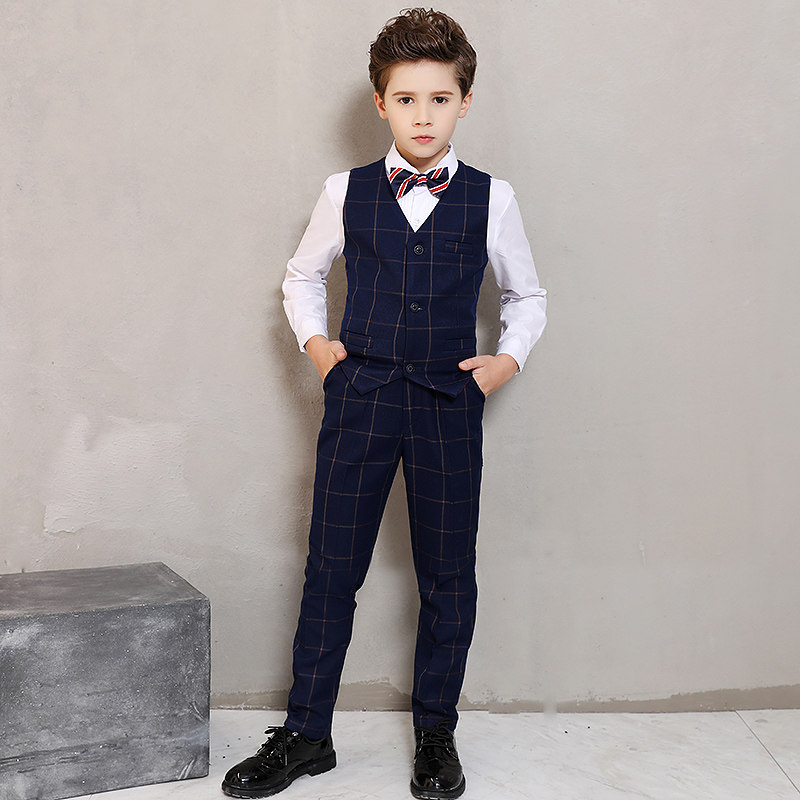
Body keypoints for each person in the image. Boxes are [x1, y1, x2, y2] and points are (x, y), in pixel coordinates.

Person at [222, 8, 546, 799]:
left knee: (448, 576)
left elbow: (527, 295)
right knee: (331, 570)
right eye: (406, 99)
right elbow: (302, 278)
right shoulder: (345, 192)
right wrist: (320, 349)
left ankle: (436, 733)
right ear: (380, 103)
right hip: (360, 399)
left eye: (439, 99)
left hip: (446, 402)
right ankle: (307, 733)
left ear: (464, 102)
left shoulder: (492, 198)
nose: (423, 115)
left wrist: (503, 363)